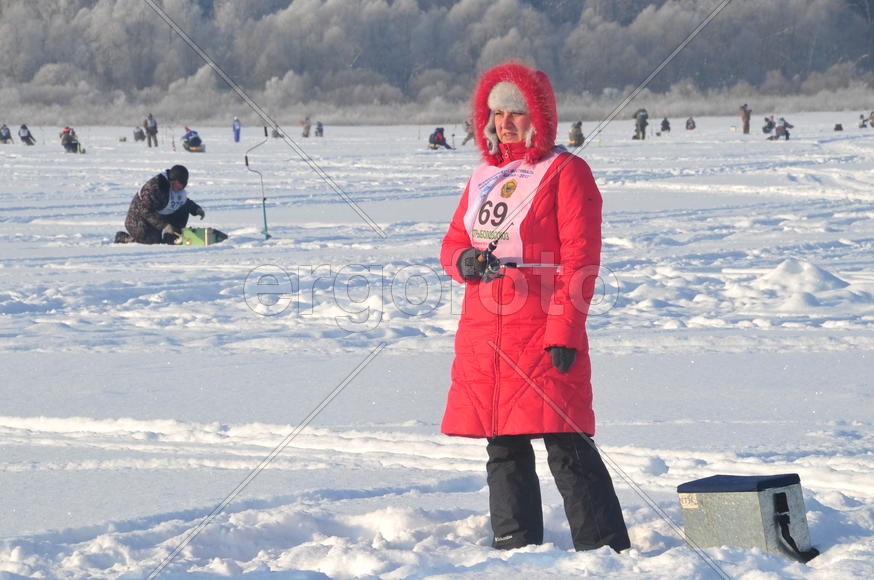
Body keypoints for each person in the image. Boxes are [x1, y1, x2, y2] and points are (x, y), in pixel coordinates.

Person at [440, 62, 631, 554]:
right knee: (502, 445)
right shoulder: (483, 176)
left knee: (566, 442)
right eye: (497, 113)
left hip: (542, 324)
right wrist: (465, 260)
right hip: (485, 328)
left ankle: (605, 549)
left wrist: (566, 329)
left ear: (539, 118)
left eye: (517, 113)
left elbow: (581, 259)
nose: (505, 123)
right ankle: (516, 547)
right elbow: (453, 243)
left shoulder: (567, 172)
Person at [114, 165, 205, 244]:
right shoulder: (156, 187)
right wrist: (164, 226)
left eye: (182, 185)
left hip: (157, 216)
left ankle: (172, 237)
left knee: (183, 209)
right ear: (172, 180)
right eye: (177, 185)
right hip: (137, 220)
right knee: (153, 240)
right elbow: (145, 211)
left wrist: (196, 209)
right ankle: (125, 238)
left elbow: (181, 200)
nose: (179, 188)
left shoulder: (176, 188)